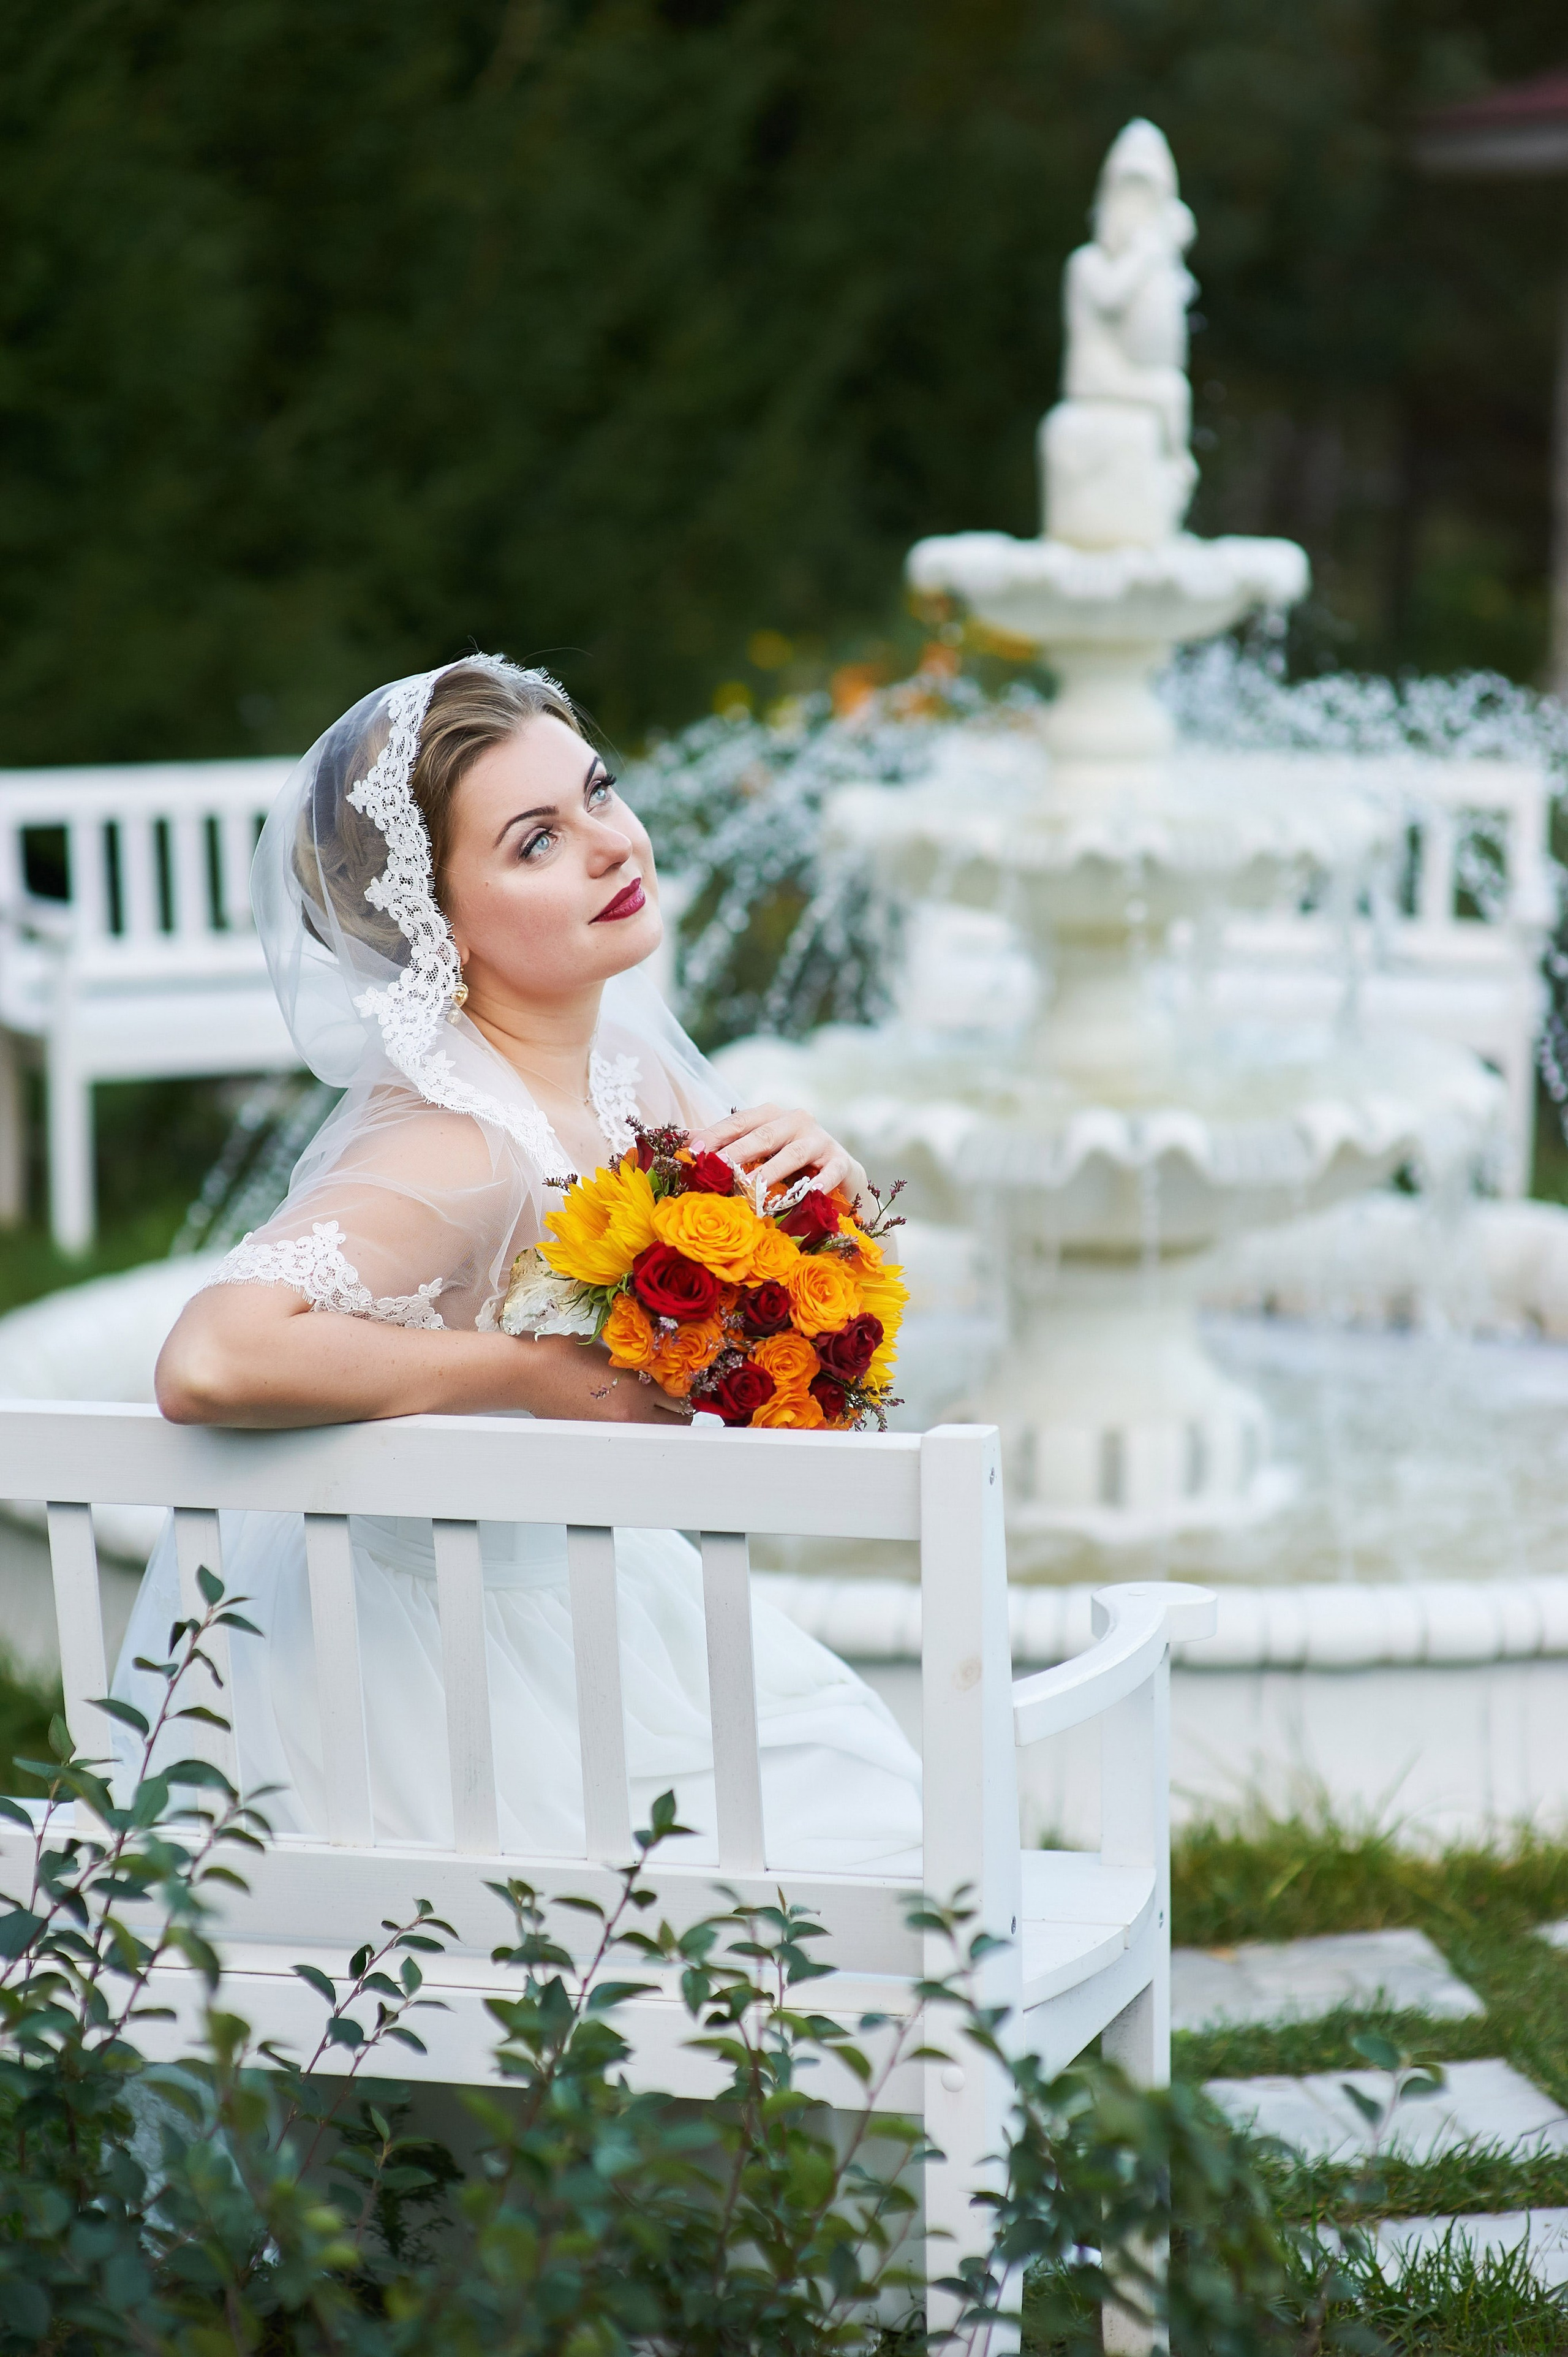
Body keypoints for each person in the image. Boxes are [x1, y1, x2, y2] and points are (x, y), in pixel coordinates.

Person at [118, 656, 921, 1868]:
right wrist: (527, 1372)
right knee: (865, 1839)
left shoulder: (630, 1077)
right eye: (537, 842)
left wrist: (823, 1213)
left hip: (584, 1588)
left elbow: (715, 1367)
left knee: (873, 1810)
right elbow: (211, 1358)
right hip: (433, 1665)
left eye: (598, 794)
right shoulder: (456, 1143)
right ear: (433, 923)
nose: (611, 845)